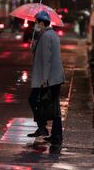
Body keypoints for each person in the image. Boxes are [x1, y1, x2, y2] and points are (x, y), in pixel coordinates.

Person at [27, 11, 65, 145]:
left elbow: (46, 60)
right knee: (54, 108)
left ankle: (42, 127)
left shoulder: (45, 37)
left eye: (37, 22)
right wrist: (34, 47)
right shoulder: (51, 34)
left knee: (33, 100)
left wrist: (44, 80)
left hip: (49, 79)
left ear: (42, 23)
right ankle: (56, 135)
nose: (35, 25)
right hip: (54, 77)